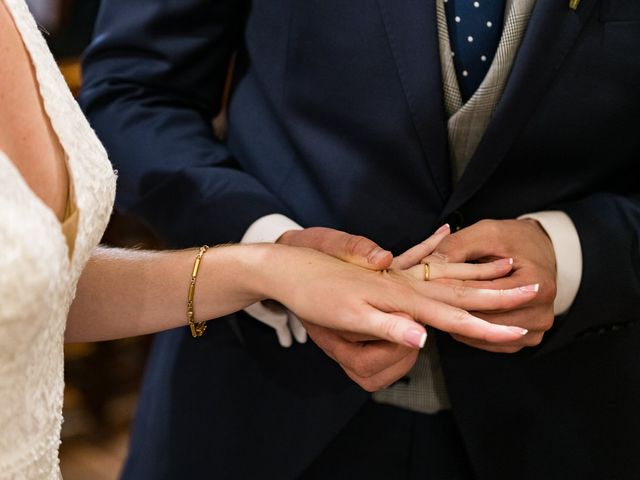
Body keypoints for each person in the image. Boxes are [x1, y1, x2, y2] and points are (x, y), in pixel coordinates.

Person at [80, 0, 640, 479]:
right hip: (255, 407)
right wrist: (265, 252)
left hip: (576, 417)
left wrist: (580, 254)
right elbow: (134, 92)